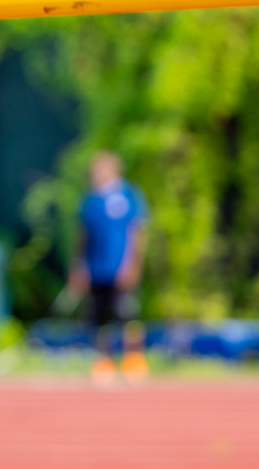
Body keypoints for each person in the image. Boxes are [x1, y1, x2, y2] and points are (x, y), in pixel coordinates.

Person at [69, 150, 148, 381]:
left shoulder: (129, 196)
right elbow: (82, 236)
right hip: (96, 269)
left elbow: (138, 232)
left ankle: (134, 360)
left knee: (128, 314)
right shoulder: (91, 200)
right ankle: (104, 361)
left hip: (121, 268)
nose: (96, 174)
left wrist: (132, 264)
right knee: (99, 317)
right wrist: (79, 266)